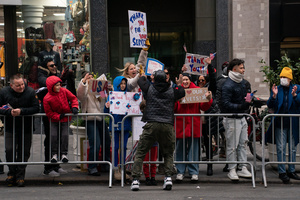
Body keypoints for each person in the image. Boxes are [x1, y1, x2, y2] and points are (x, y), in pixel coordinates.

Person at [130, 70, 185, 191]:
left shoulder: (149, 88)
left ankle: (135, 180)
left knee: (141, 152)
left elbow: (140, 81)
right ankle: (168, 178)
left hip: (152, 124)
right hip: (167, 125)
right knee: (168, 153)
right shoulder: (172, 91)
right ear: (166, 79)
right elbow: (181, 92)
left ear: (154, 79)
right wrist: (179, 83)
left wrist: (144, 76)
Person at [0, 74, 39, 187]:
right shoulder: (4, 92)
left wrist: (21, 111)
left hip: (26, 127)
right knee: (9, 150)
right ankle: (11, 174)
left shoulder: (31, 92)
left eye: (22, 84)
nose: (21, 87)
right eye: (18, 85)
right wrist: (9, 112)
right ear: (11, 85)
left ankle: (20, 175)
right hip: (10, 127)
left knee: (24, 152)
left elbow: (36, 108)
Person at [174, 73, 213, 182]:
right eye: (183, 80)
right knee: (179, 149)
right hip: (181, 124)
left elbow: (203, 106)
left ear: (190, 80)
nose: (185, 82)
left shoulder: (197, 90)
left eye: (187, 79)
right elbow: (174, 108)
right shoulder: (177, 90)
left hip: (192, 124)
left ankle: (194, 172)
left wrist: (208, 99)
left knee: (194, 150)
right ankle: (180, 171)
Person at [266, 67, 300, 183]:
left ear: (290, 79)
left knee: (292, 148)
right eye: (281, 77)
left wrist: (295, 95)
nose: (282, 79)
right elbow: (270, 104)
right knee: (280, 148)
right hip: (280, 122)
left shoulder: (297, 88)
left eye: (285, 77)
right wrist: (274, 96)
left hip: (292, 122)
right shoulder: (277, 89)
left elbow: (299, 102)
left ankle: (291, 170)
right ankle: (282, 172)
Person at [221, 58, 252, 181]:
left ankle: (242, 167)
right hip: (232, 117)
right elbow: (225, 103)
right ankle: (232, 169)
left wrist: (249, 101)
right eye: (241, 68)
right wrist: (241, 106)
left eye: (243, 67)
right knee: (232, 145)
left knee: (243, 143)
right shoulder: (228, 84)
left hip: (241, 116)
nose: (243, 70)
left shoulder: (242, 83)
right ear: (234, 69)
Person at [77, 71, 111, 176]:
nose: (91, 79)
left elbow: (104, 98)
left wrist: (108, 89)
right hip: (90, 119)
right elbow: (80, 96)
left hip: (100, 118)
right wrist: (84, 82)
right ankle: (92, 167)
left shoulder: (96, 90)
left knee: (106, 141)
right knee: (95, 143)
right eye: (88, 78)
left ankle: (105, 164)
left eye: (92, 77)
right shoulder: (84, 89)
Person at [37, 58, 65, 177]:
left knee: (59, 139)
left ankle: (56, 165)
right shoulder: (42, 76)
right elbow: (49, 83)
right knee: (50, 139)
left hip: (59, 112)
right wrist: (61, 78)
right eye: (51, 65)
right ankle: (48, 167)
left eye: (55, 65)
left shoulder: (57, 75)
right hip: (49, 114)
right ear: (45, 67)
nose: (54, 67)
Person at [43, 76, 79, 164]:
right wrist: (58, 116)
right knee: (53, 136)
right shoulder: (47, 98)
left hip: (65, 118)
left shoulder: (64, 91)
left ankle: (64, 154)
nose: (59, 87)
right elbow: (49, 112)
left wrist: (74, 107)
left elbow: (73, 98)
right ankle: (54, 154)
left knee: (65, 136)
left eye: (59, 85)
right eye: (57, 85)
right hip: (55, 119)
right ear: (51, 87)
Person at [104, 76, 131, 180]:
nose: (123, 86)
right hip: (115, 125)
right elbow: (106, 112)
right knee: (115, 147)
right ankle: (115, 169)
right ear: (117, 85)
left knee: (123, 147)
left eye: (124, 84)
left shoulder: (128, 95)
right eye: (121, 84)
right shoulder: (111, 96)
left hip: (125, 125)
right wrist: (106, 106)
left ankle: (122, 168)